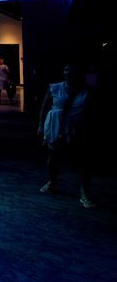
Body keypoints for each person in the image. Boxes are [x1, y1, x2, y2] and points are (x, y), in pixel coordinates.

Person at [37, 63, 96, 208]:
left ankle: (85, 194)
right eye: (66, 69)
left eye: (71, 70)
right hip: (56, 126)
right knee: (53, 156)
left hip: (78, 127)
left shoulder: (87, 90)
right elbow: (44, 107)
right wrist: (40, 125)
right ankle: (52, 181)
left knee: (82, 160)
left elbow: (92, 111)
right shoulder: (55, 87)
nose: (68, 72)